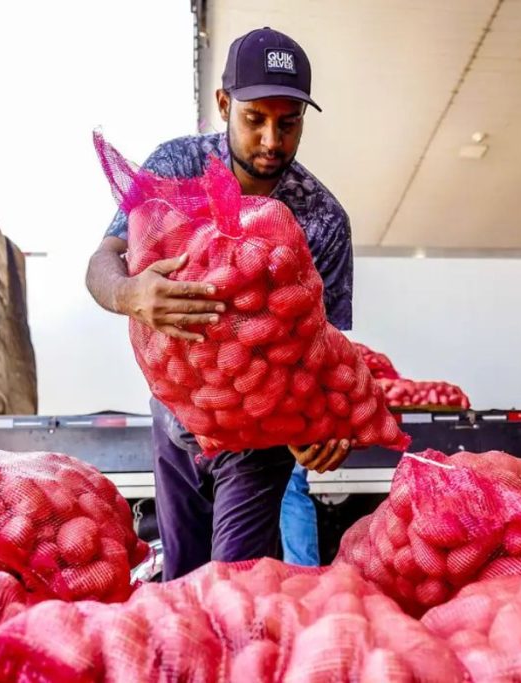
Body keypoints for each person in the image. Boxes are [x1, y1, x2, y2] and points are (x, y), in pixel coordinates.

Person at [85, 27, 353, 579]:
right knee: (182, 582)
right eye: (255, 119)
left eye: (289, 122)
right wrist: (131, 293)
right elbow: (103, 260)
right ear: (224, 104)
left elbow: (325, 350)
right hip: (174, 421)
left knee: (235, 585)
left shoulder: (323, 218)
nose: (272, 140)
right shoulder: (176, 166)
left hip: (259, 437)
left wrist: (324, 421)